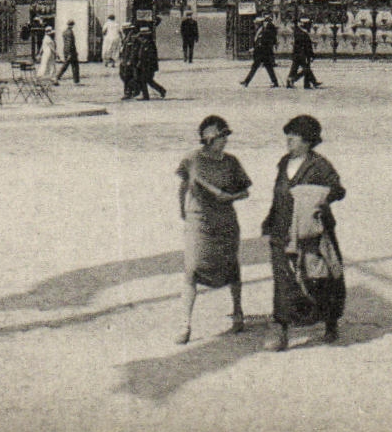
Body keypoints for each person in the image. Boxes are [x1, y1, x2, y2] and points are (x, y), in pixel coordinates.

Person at [260, 114, 346, 351]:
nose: (288, 140)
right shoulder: (284, 162)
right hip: (282, 229)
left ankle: (330, 320)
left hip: (312, 231)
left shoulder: (319, 165)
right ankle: (281, 329)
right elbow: (278, 195)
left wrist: (315, 197)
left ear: (307, 141)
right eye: (287, 135)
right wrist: (268, 220)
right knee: (283, 279)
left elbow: (338, 190)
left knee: (320, 278)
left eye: (294, 136)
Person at [175, 115, 252, 344]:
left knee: (232, 267)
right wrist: (183, 213)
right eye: (221, 137)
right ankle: (185, 324)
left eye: (226, 136)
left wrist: (230, 196)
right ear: (208, 139)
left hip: (226, 220)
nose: (225, 141)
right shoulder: (192, 159)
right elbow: (182, 187)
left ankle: (238, 313)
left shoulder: (231, 162)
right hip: (199, 220)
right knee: (192, 268)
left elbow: (246, 191)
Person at [240, 17, 279, 88]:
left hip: (262, 52)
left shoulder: (264, 30)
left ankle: (246, 82)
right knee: (267, 67)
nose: (255, 24)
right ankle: (275, 82)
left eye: (256, 23)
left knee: (256, 67)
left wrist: (254, 48)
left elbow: (262, 42)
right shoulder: (260, 30)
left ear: (259, 23)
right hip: (261, 52)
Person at [134, 25, 166, 99]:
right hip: (144, 65)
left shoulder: (150, 43)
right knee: (148, 80)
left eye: (143, 35)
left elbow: (150, 56)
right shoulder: (144, 42)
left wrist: (144, 63)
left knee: (144, 80)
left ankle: (146, 96)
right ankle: (161, 91)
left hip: (149, 65)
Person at [287, 18, 320, 89]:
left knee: (295, 69)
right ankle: (296, 80)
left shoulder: (299, 32)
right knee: (306, 69)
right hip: (301, 54)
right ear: (305, 25)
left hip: (298, 54)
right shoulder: (302, 33)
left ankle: (307, 83)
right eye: (308, 25)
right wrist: (311, 54)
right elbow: (306, 46)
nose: (309, 26)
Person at [55, 19, 82, 85]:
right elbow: (70, 43)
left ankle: (58, 77)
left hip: (66, 50)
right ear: (72, 25)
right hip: (71, 52)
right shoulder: (70, 32)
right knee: (73, 66)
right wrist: (71, 52)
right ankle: (58, 77)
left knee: (68, 65)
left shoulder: (64, 32)